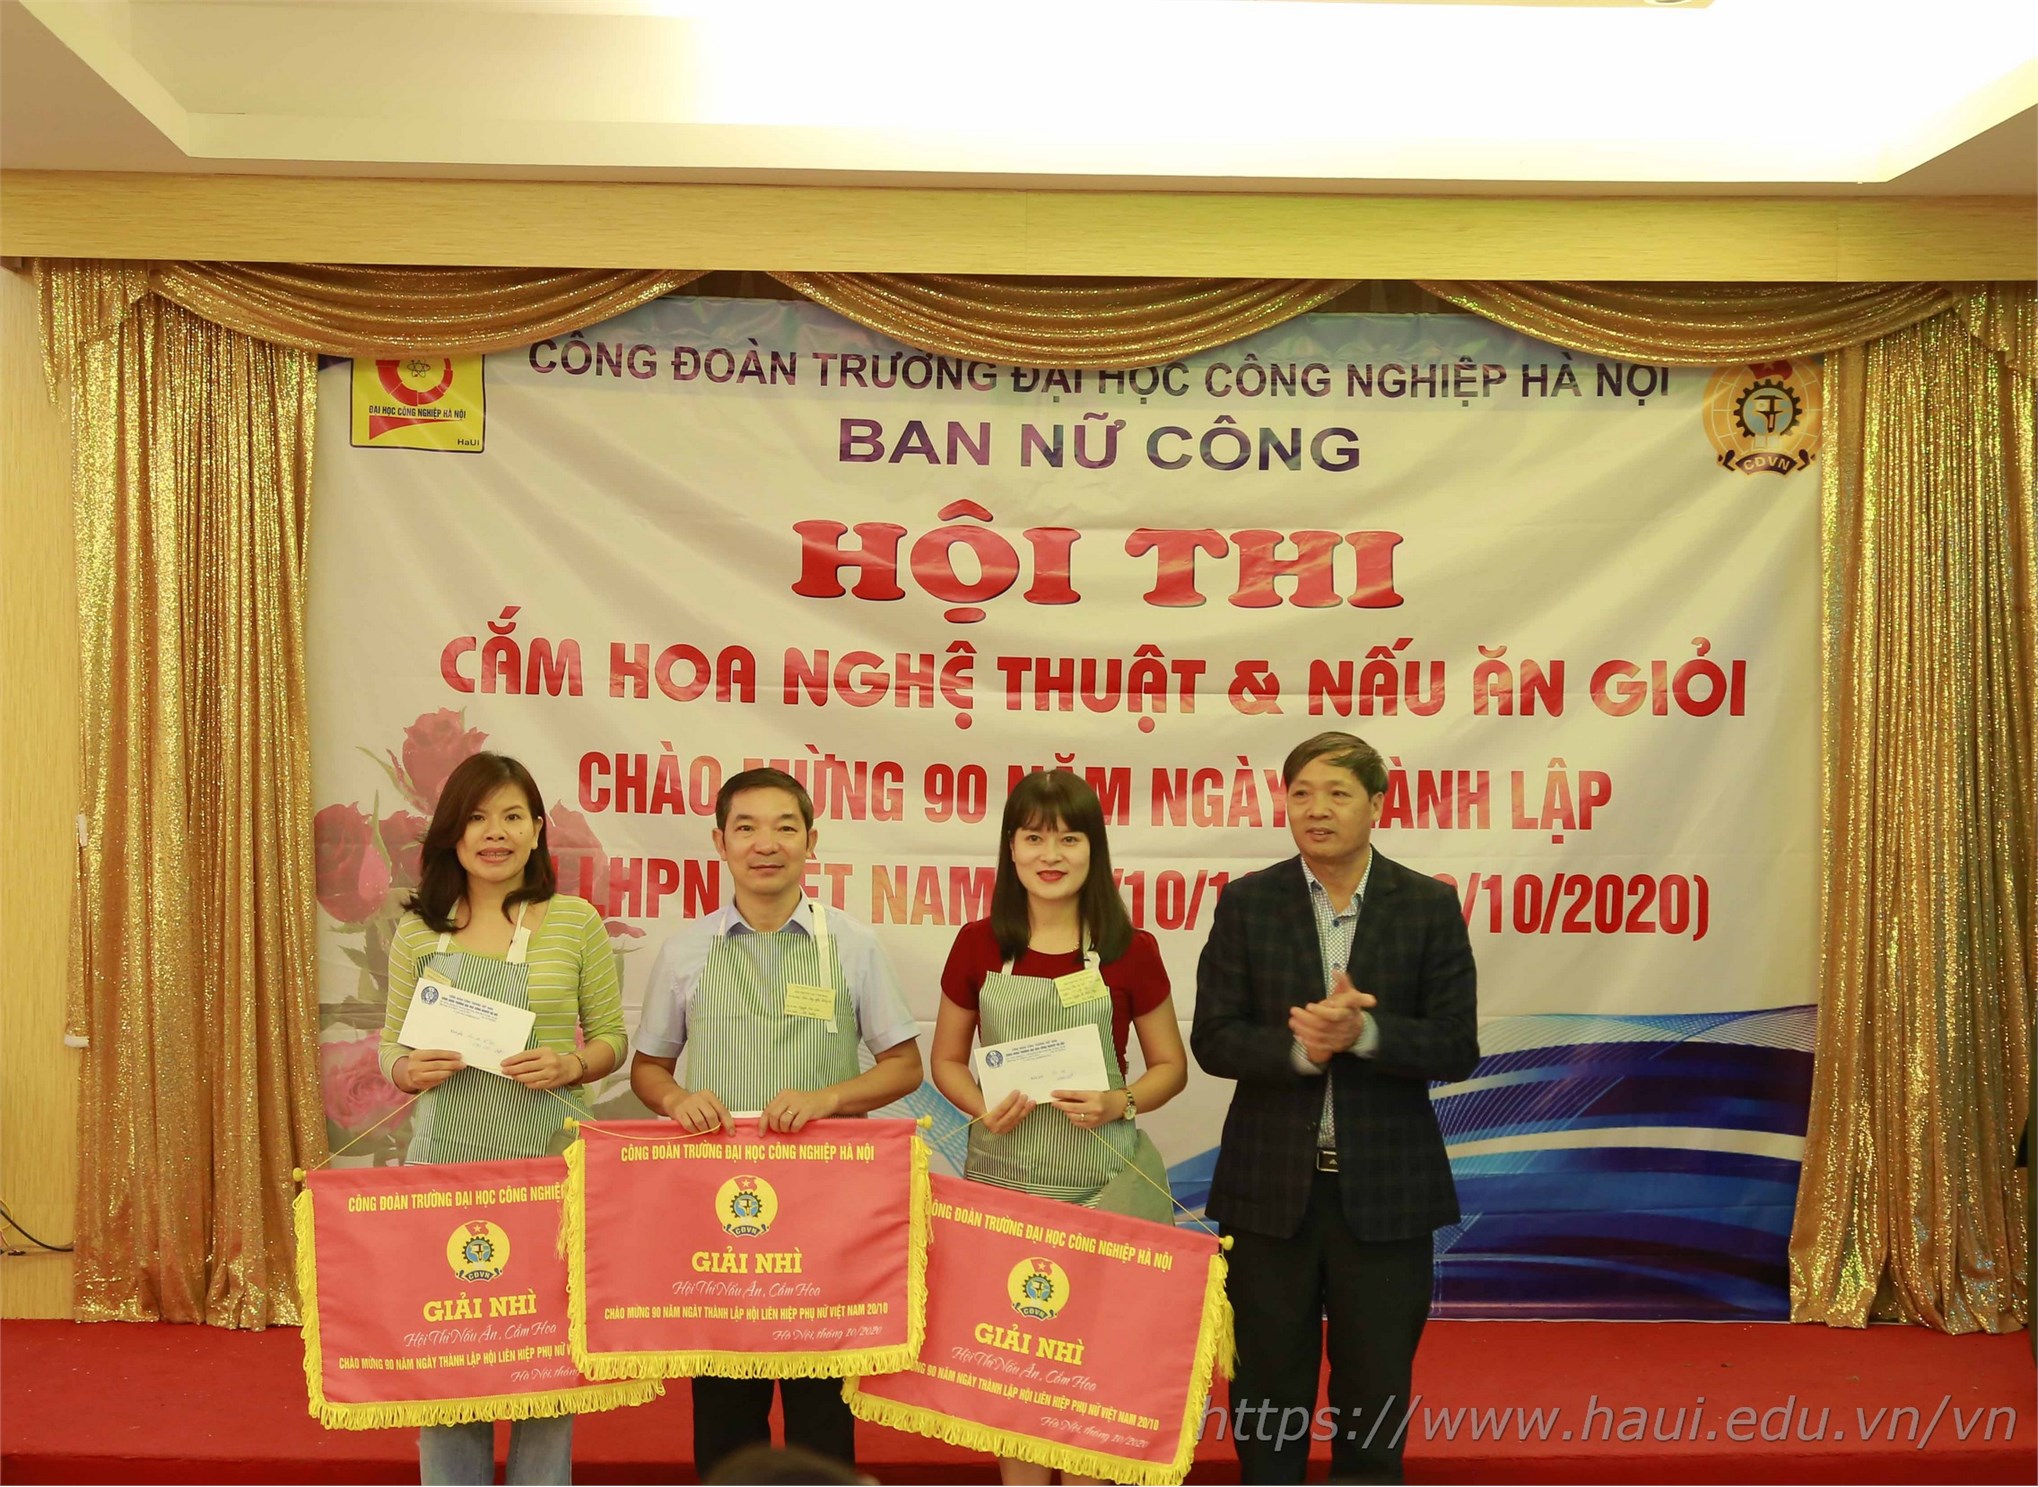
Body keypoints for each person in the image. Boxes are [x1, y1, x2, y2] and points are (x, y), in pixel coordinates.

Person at [1190, 732, 1478, 1486]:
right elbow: (1214, 1038)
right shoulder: (1249, 902)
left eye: (1337, 793)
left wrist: (1365, 1034)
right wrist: (1300, 1050)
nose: (1316, 809)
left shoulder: (1427, 905)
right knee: (1266, 1392)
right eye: (1301, 794)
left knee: (1374, 1395)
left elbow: (1456, 1044)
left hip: (1387, 1193)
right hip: (1268, 1192)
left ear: (1377, 805)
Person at [630, 767, 924, 1479]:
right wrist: (675, 1100)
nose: (766, 844)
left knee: (822, 1414)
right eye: (747, 827)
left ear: (811, 841)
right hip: (720, 1225)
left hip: (828, 1223)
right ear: (720, 843)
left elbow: (904, 1066)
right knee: (725, 1414)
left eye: (785, 827)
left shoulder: (853, 944)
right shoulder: (685, 950)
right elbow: (648, 1069)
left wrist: (830, 1099)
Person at [930, 769, 1188, 1487]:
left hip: (1107, 1187)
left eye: (1069, 838)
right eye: (1034, 837)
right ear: (1010, 848)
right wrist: (979, 1105)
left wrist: (1119, 1101)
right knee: (1016, 1370)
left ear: (1093, 849)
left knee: (1095, 1373)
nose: (1051, 854)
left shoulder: (1130, 947)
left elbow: (1170, 1066)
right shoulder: (979, 943)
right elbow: (945, 1059)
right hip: (1006, 1188)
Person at [379, 751, 628, 1486]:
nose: (496, 833)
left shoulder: (576, 922)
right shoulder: (419, 931)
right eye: (478, 817)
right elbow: (392, 1044)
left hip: (550, 1171)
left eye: (512, 816)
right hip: (444, 1168)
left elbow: (612, 1037)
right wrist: (407, 1070)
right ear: (452, 833)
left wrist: (572, 1064)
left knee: (545, 1360)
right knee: (451, 1358)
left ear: (538, 829)